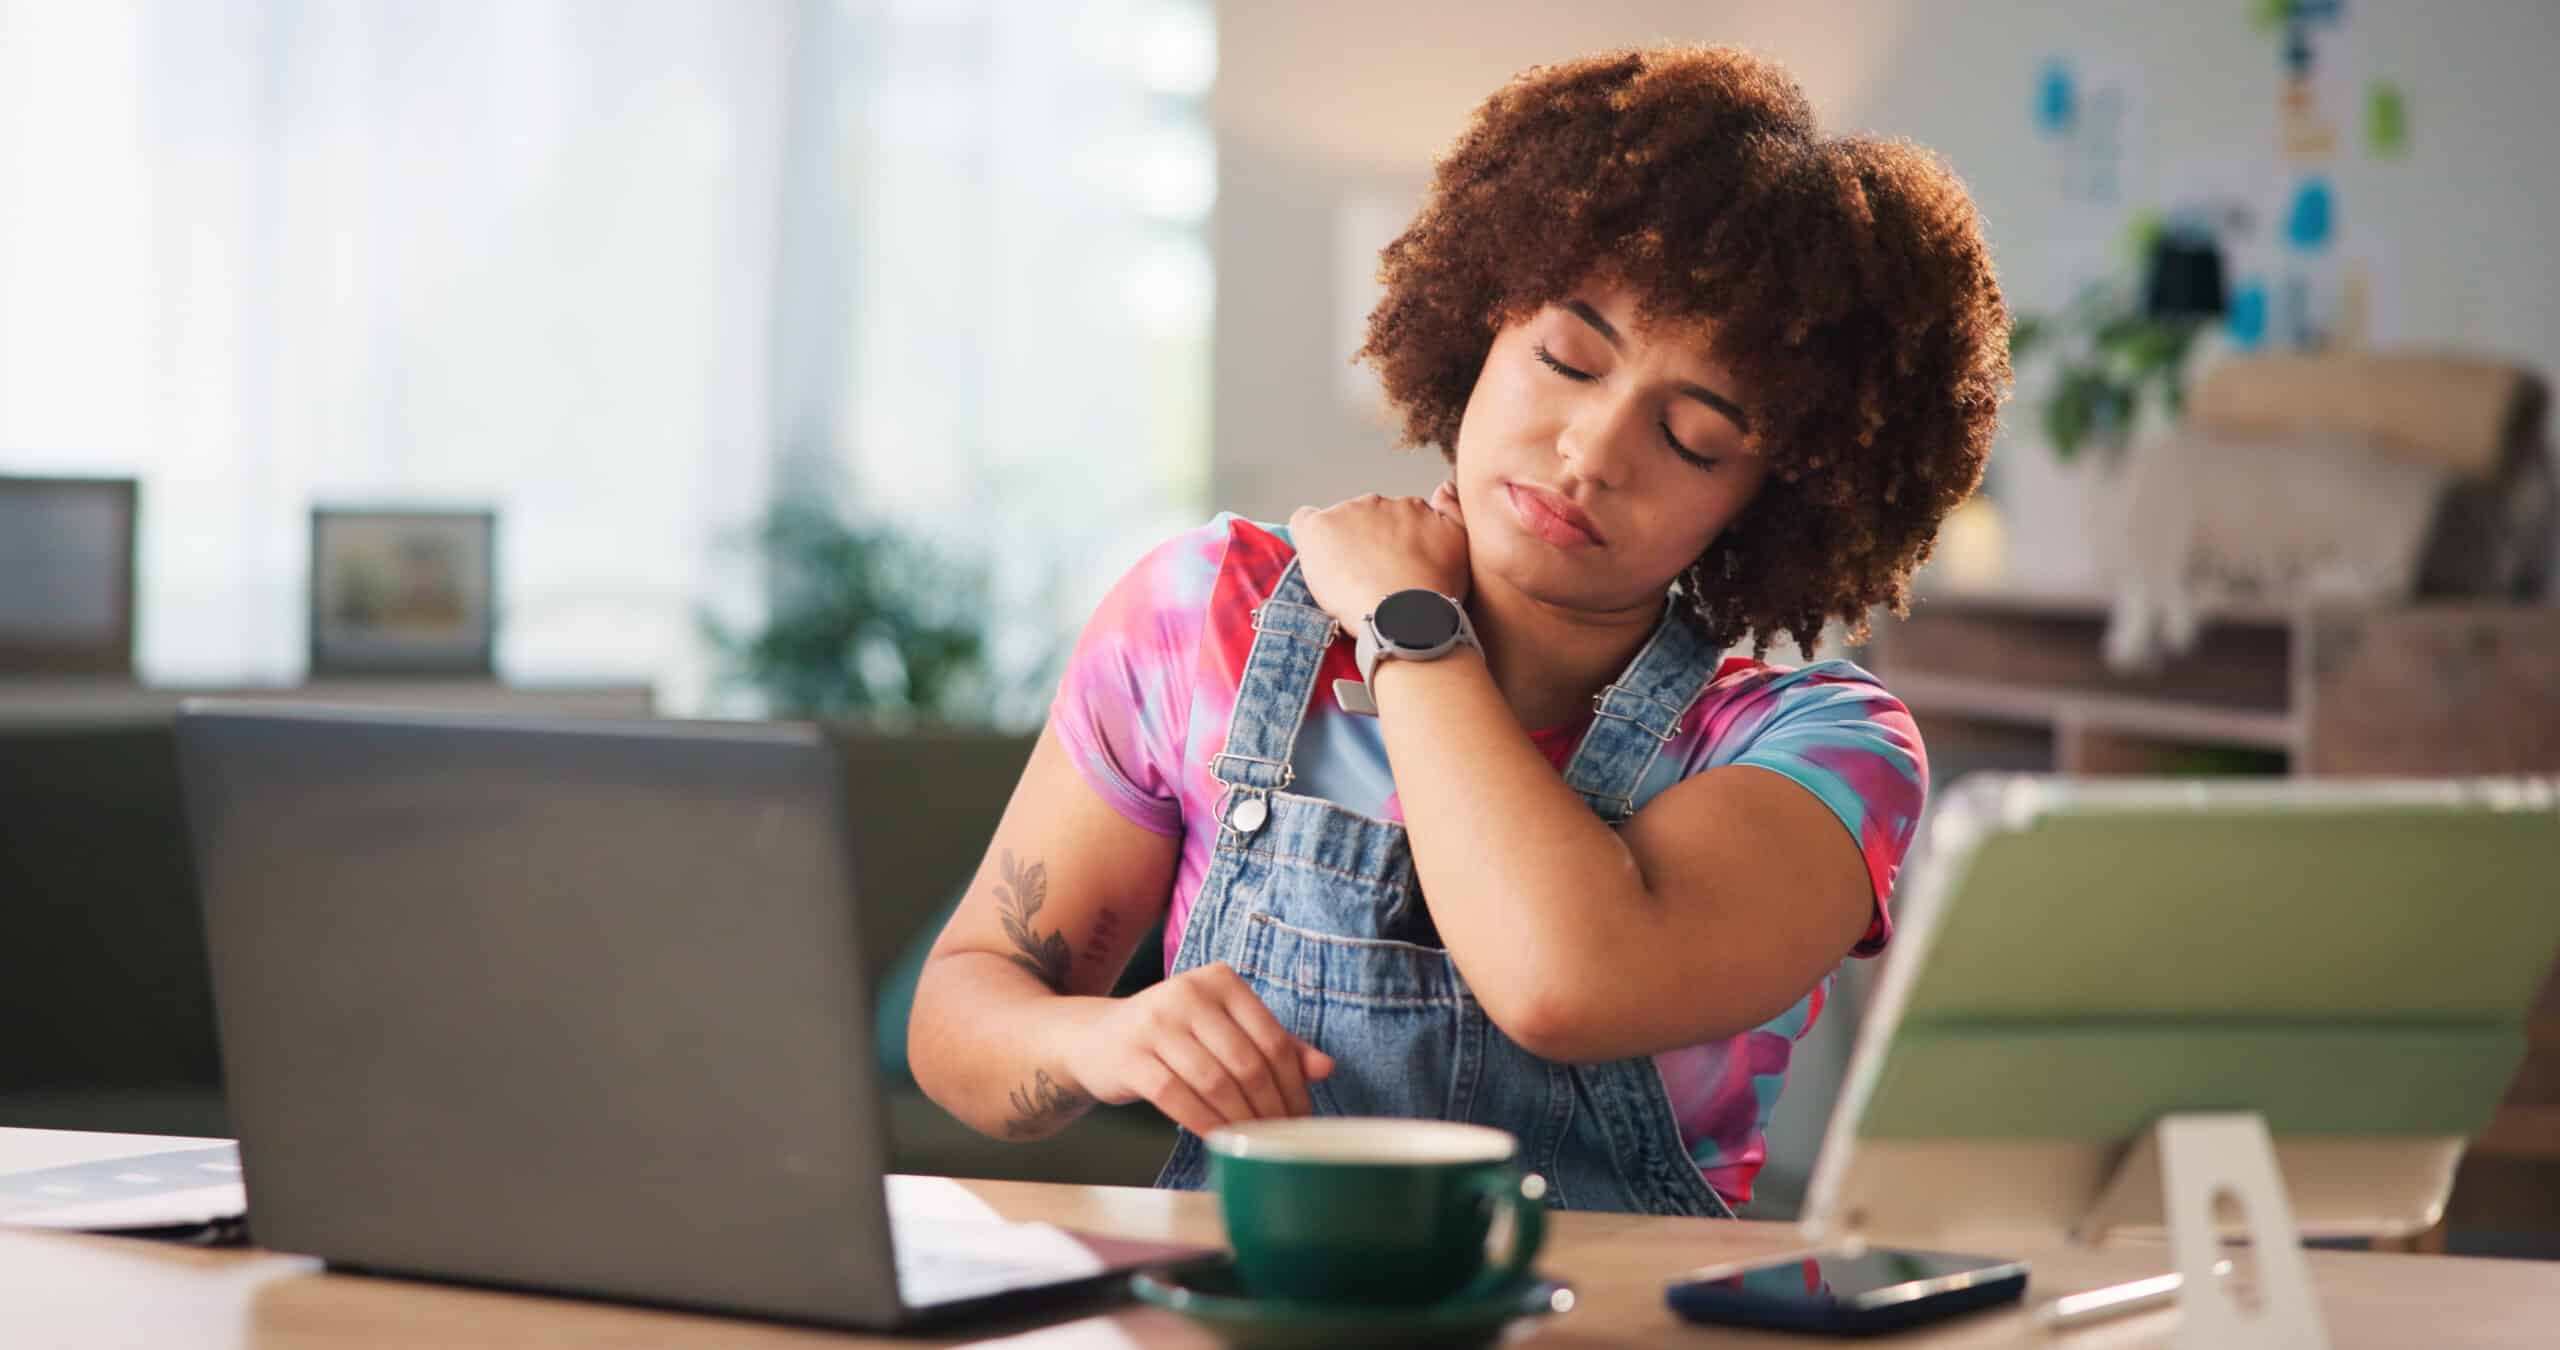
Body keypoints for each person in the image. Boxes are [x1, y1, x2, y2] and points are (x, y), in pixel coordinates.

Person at [910, 43, 2008, 1216]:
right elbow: (962, 1012)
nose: (1591, 453)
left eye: (1691, 437)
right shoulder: (1206, 618)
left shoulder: (1822, 748)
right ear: (1485, 312)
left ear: (1776, 497)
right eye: (1567, 359)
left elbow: (1562, 979)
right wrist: (1103, 1041)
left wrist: (1407, 629)